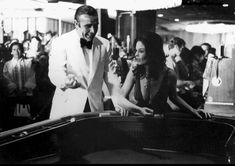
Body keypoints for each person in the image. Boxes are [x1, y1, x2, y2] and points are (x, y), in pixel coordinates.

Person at [48, 5, 153, 119]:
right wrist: (65, 81)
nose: (93, 31)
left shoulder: (104, 45)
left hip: (94, 111)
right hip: (67, 111)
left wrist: (138, 109)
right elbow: (55, 73)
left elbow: (113, 87)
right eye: (88, 26)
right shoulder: (60, 42)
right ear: (76, 24)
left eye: (96, 25)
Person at [120, 31, 210, 119]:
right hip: (140, 119)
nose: (136, 54)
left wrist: (193, 110)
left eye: (141, 51)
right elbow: (121, 96)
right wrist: (127, 107)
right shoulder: (135, 71)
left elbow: (174, 97)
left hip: (162, 120)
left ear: (152, 53)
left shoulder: (169, 74)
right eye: (136, 50)